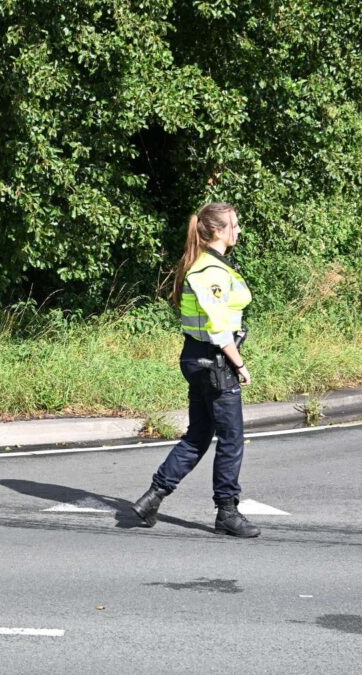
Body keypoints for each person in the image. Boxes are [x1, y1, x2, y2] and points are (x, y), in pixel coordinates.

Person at [131, 202, 260, 538]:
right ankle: (227, 512)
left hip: (198, 358)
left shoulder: (209, 265)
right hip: (215, 359)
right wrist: (240, 364)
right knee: (231, 439)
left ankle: (153, 497)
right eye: (235, 224)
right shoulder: (210, 272)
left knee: (199, 434)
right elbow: (218, 328)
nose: (239, 230)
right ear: (218, 230)